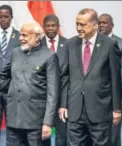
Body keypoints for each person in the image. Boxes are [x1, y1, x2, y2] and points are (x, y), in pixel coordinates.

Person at [59, 8, 121, 146]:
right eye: (77, 24)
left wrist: (117, 109)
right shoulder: (70, 44)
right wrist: (63, 104)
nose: (79, 28)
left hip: (100, 109)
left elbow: (116, 78)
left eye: (83, 24)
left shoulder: (109, 44)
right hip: (75, 110)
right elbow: (65, 77)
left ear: (95, 25)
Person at [0, 21, 60, 146]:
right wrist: (12, 88)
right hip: (14, 118)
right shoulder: (16, 53)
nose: (20, 38)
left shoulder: (49, 56)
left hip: (37, 122)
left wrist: (47, 122)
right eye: (20, 35)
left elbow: (53, 92)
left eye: (24, 35)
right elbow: (1, 78)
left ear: (37, 36)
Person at [0, 4, 20, 146]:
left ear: (11, 18)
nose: (3, 20)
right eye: (0, 17)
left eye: (6, 17)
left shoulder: (19, 36)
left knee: (12, 127)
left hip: (12, 88)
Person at [41, 14, 67, 146]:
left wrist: (65, 103)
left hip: (63, 99)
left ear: (58, 26)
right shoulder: (37, 44)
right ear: (43, 27)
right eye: (47, 26)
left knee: (62, 138)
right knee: (43, 137)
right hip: (42, 100)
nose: (50, 28)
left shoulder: (68, 44)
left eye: (53, 25)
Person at [98, 13, 122, 146]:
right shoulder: (93, 44)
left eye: (105, 22)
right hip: (98, 97)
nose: (101, 25)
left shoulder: (119, 43)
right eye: (99, 22)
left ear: (112, 25)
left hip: (115, 97)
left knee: (113, 136)